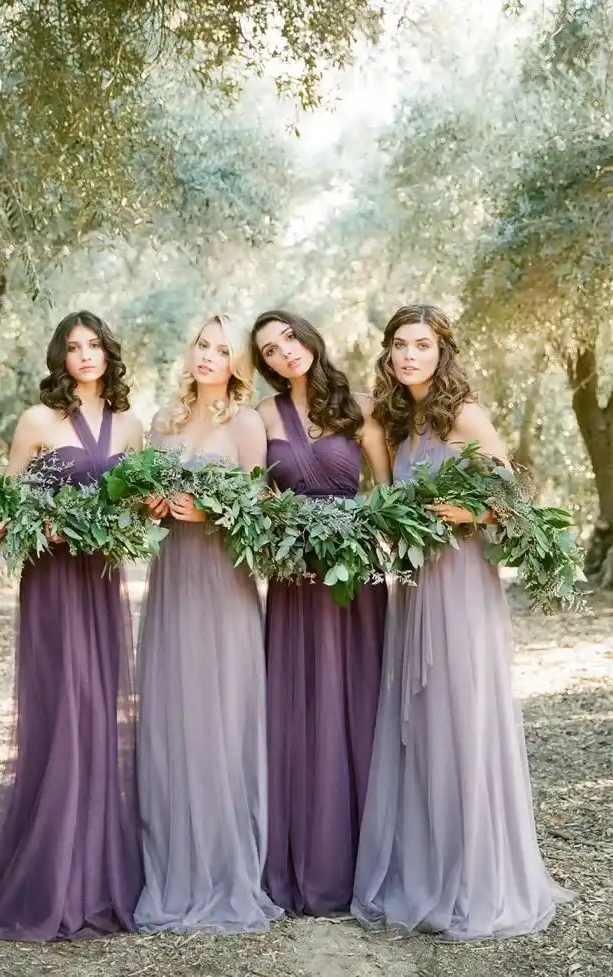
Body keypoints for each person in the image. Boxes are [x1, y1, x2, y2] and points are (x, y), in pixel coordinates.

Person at [352, 303, 573, 940]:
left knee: (461, 715)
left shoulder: (464, 415)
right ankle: (427, 865)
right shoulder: (399, 421)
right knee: (420, 723)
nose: (409, 355)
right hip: (418, 587)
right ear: (389, 354)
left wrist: (465, 515)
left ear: (440, 351)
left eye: (421, 344)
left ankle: (475, 876)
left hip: (463, 588)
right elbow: (390, 496)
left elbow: (510, 504)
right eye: (399, 345)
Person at [0, 311, 143, 941]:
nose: (85, 355)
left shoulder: (133, 427)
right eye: (73, 347)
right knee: (62, 712)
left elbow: (136, 514)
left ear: (109, 355)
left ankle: (94, 873)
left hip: (101, 584)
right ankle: (49, 874)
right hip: (53, 584)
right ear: (60, 357)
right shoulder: (37, 421)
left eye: (94, 345)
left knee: (99, 715)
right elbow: (0, 507)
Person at [134, 313, 282, 934]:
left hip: (223, 585)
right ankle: (172, 863)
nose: (209, 355)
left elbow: (264, 511)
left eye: (223, 349)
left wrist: (211, 510)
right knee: (173, 717)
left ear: (236, 363)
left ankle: (224, 868)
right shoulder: (162, 423)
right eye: (202, 343)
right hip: (171, 581)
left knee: (221, 717)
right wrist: (148, 503)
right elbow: (135, 499)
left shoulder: (247, 423)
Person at [251, 310, 390, 916]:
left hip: (353, 576)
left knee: (356, 697)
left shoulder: (361, 406)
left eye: (289, 340)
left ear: (309, 338)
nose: (284, 355)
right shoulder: (261, 416)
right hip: (293, 578)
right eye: (269, 351)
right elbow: (254, 496)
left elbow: (385, 494)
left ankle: (365, 859)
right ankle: (303, 857)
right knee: (297, 703)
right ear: (262, 365)